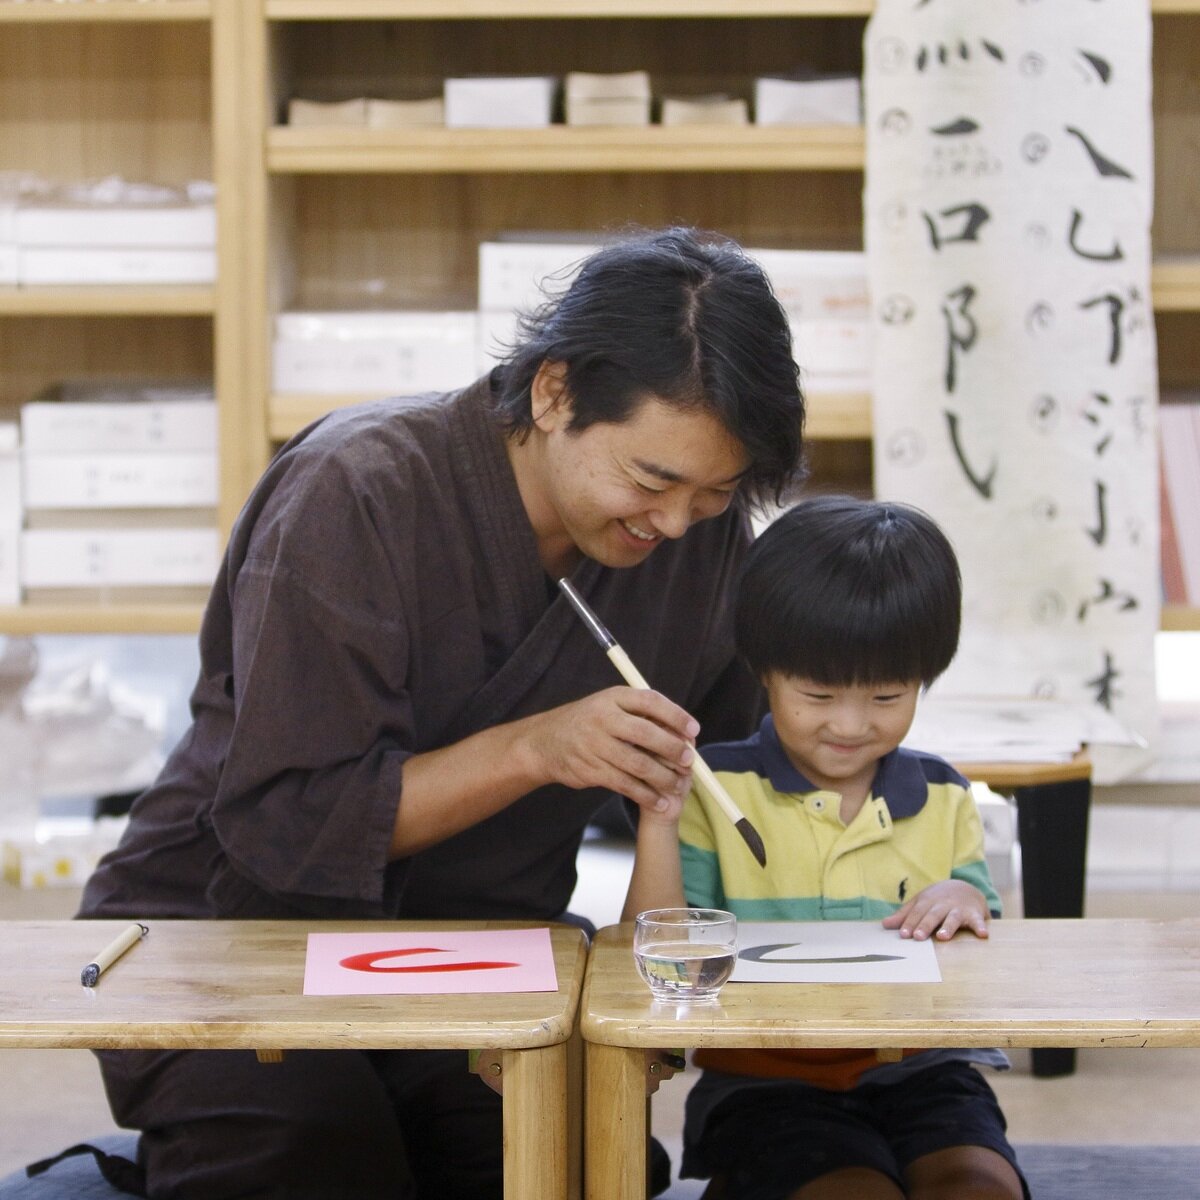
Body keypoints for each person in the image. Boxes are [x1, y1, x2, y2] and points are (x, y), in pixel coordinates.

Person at [73, 227, 806, 1200]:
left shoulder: (693, 542)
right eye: (651, 481)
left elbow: (739, 779)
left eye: (713, 496)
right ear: (554, 394)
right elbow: (291, 819)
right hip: (235, 935)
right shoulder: (357, 488)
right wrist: (534, 748)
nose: (673, 526)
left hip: (481, 956)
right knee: (318, 1162)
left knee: (584, 1164)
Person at [623, 495, 1029, 1200]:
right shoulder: (716, 790)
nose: (849, 725)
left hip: (925, 1073)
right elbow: (654, 951)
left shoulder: (945, 794)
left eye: (887, 697)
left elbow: (981, 947)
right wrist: (659, 815)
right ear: (762, 670)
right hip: (767, 1082)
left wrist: (963, 899)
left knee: (982, 1188)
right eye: (817, 694)